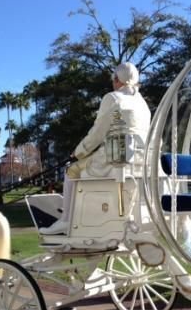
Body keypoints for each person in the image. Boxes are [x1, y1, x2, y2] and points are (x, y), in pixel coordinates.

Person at [40, 62, 151, 235]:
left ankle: (66, 220)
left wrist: (78, 152)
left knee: (71, 172)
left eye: (113, 79)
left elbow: (98, 132)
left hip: (113, 160)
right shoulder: (143, 104)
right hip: (140, 161)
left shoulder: (113, 98)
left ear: (117, 80)